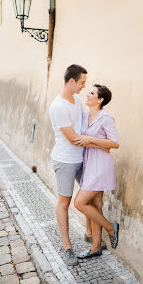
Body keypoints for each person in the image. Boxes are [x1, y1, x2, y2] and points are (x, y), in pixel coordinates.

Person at [49, 65, 108, 266]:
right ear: (72, 81)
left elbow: (85, 125)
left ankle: (90, 234)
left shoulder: (75, 102)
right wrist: (102, 144)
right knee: (64, 202)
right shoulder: (58, 106)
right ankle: (67, 248)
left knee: (92, 198)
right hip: (65, 161)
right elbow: (74, 138)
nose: (84, 86)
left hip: (83, 159)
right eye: (82, 82)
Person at [73, 84, 120, 259]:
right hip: (88, 164)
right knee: (95, 206)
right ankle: (96, 248)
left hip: (100, 167)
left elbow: (114, 143)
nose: (88, 94)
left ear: (100, 100)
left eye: (92, 93)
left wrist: (91, 139)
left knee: (79, 203)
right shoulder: (84, 116)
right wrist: (91, 142)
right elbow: (83, 140)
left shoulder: (106, 118)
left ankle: (110, 228)